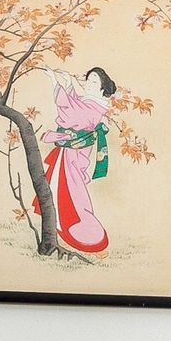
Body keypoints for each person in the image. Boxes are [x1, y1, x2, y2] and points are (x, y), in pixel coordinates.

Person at [32, 64, 119, 255]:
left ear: (102, 88)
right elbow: (74, 104)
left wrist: (54, 81)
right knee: (58, 187)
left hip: (75, 153)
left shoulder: (96, 107)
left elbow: (71, 112)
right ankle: (59, 222)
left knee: (71, 189)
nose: (88, 83)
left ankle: (78, 226)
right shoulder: (88, 101)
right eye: (88, 79)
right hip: (69, 151)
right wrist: (70, 83)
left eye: (94, 81)